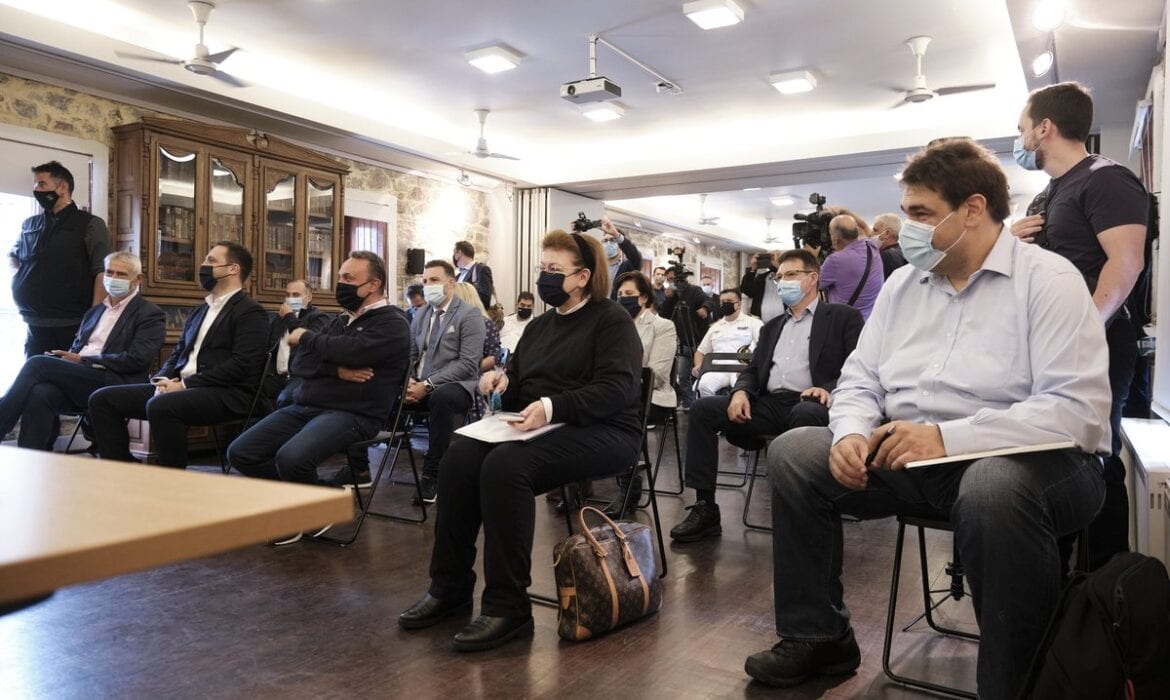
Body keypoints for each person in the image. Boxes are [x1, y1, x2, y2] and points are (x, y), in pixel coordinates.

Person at [744, 138, 1110, 698]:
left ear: (973, 209)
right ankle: (820, 637)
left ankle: (1016, 685)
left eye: (921, 213)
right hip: (913, 457)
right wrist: (850, 433)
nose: (905, 229)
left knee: (992, 486)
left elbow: (1074, 412)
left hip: (1042, 463)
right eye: (907, 212)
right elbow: (861, 378)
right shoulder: (902, 285)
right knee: (796, 452)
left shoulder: (1049, 280)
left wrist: (946, 438)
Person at [397, 229, 642, 653]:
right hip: (545, 424)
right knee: (459, 456)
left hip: (606, 429)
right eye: (541, 267)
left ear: (582, 276)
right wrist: (501, 384)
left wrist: (551, 406)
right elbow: (521, 387)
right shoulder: (541, 326)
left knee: (506, 466)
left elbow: (616, 390)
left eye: (554, 269)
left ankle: (508, 606)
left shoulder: (611, 320)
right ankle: (449, 588)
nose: (544, 276)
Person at [1011, 81, 1148, 569]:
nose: (1020, 139)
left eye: (1022, 129)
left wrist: (1084, 331)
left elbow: (1125, 264)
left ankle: (1103, 583)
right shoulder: (1045, 197)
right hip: (1049, 344)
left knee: (1095, 455)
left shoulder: (1106, 180)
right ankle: (1059, 577)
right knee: (1053, 456)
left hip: (1099, 340)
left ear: (1044, 128)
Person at [670, 251, 862, 543]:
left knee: (806, 414)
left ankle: (803, 511)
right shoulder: (772, 326)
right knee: (702, 409)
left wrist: (829, 387)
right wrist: (741, 391)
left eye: (791, 275)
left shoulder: (842, 317)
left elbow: (859, 366)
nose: (783, 282)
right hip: (770, 404)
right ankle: (705, 507)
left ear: (813, 278)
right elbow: (753, 369)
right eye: (779, 277)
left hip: (812, 402)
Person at [227, 252, 411, 542]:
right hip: (308, 404)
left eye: (348, 278)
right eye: (340, 277)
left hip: (355, 413)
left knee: (291, 458)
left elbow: (353, 352)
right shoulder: (340, 322)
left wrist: (307, 338)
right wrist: (337, 370)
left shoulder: (393, 323)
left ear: (374, 285)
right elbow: (300, 363)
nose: (341, 283)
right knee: (241, 452)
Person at [88, 242, 269, 468]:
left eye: (211, 261)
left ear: (233, 269)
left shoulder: (251, 312)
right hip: (181, 386)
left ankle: (172, 477)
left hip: (228, 392)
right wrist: (162, 379)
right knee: (103, 399)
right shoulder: (200, 310)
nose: (203, 265)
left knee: (162, 406)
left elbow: (242, 364)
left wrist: (184, 385)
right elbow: (178, 352)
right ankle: (121, 468)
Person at [0, 251, 164, 451]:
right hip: (81, 379)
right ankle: (30, 457)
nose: (113, 278)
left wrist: (85, 361)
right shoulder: (94, 312)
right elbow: (77, 348)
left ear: (138, 279)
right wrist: (67, 360)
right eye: (109, 272)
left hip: (114, 380)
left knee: (37, 363)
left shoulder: (150, 314)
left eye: (121, 274)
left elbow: (136, 359)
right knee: (40, 392)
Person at [10, 160, 111, 358]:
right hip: (33, 321)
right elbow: (15, 257)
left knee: (62, 374)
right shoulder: (30, 224)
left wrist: (93, 320)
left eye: (42, 184)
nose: (36, 189)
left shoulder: (90, 224)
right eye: (35, 184)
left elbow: (102, 272)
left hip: (71, 323)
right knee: (34, 372)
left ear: (63, 187)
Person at [408, 259, 486, 503]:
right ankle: (360, 466)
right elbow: (411, 354)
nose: (427, 285)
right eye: (425, 281)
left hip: (456, 386)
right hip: (420, 383)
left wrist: (427, 385)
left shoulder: (469, 315)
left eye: (434, 280)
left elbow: (468, 364)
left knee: (441, 398)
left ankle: (432, 474)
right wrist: (409, 381)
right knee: (382, 388)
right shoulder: (421, 313)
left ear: (451, 283)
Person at [609, 270, 678, 517]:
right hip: (617, 395)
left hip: (653, 397)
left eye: (629, 293)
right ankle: (577, 483)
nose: (623, 298)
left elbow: (657, 374)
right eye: (619, 294)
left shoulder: (663, 327)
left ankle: (629, 489)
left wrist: (620, 383)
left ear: (644, 297)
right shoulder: (612, 327)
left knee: (620, 412)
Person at [660, 265, 716, 409]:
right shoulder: (672, 296)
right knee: (683, 374)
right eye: (668, 279)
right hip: (684, 342)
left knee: (702, 374)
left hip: (699, 342)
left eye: (673, 279)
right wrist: (668, 298)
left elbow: (709, 301)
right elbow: (664, 315)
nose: (671, 282)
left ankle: (704, 403)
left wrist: (704, 309)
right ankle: (688, 404)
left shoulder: (694, 290)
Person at [692, 288, 763, 397]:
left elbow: (763, 347)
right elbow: (700, 352)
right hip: (717, 370)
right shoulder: (715, 327)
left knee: (743, 390)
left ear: (739, 304)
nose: (725, 304)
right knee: (702, 386)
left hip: (743, 369)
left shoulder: (754, 323)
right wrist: (698, 365)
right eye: (722, 302)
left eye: (729, 301)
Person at [270, 279, 331, 397]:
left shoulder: (319, 317)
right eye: (288, 295)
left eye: (296, 295)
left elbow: (308, 340)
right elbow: (270, 344)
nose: (290, 298)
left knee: (285, 397)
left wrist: (289, 316)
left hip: (300, 375)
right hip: (275, 375)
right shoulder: (280, 318)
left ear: (309, 297)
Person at [819, 214, 883, 320]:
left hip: (847, 323)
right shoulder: (871, 247)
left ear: (835, 238)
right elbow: (865, 228)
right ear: (856, 231)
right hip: (872, 320)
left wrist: (810, 255)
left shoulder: (835, 261)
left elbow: (813, 284)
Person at [453, 281, 502, 373]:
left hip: (474, 375)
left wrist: (466, 370)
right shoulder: (449, 323)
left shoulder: (486, 324)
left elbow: (493, 357)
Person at [598, 218, 642, 299]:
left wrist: (616, 235)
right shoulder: (597, 266)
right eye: (605, 241)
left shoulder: (627, 267)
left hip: (616, 306)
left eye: (612, 240)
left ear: (620, 245)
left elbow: (635, 257)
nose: (608, 243)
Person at [739, 251, 784, 321]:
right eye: (771, 258)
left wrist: (779, 267)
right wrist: (753, 268)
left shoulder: (790, 278)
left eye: (775, 258)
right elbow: (746, 290)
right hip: (760, 321)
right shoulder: (762, 278)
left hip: (784, 322)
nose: (773, 261)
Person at [453, 241, 494, 309]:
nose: (453, 256)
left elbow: (485, 300)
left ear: (459, 253)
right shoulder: (457, 277)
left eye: (454, 252)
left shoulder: (481, 269)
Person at [872, 212, 907, 279]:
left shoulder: (886, 256)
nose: (871, 234)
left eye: (875, 230)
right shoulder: (902, 252)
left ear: (887, 233)